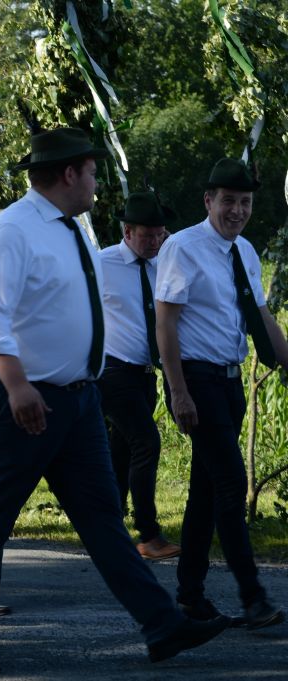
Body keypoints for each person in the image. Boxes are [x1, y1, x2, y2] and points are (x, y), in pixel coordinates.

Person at [0, 127, 228, 674]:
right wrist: (16, 384)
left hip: (78, 402)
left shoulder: (68, 227)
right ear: (70, 173)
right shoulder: (13, 230)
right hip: (18, 401)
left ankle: (163, 627)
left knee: (103, 520)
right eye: (94, 172)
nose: (97, 183)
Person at [155, 157, 286, 630]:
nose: (237, 211)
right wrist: (178, 392)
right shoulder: (183, 248)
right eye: (228, 201)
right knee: (231, 485)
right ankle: (253, 597)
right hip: (197, 380)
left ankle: (190, 596)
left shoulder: (244, 251)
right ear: (208, 200)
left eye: (245, 202)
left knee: (205, 491)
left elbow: (263, 318)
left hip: (230, 383)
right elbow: (165, 323)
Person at [99, 191, 180, 560]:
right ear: (127, 231)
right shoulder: (102, 263)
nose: (155, 242)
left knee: (122, 449)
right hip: (113, 370)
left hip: (147, 374)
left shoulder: (165, 264)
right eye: (147, 235)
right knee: (146, 442)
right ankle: (148, 533)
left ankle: (109, 526)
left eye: (160, 234)